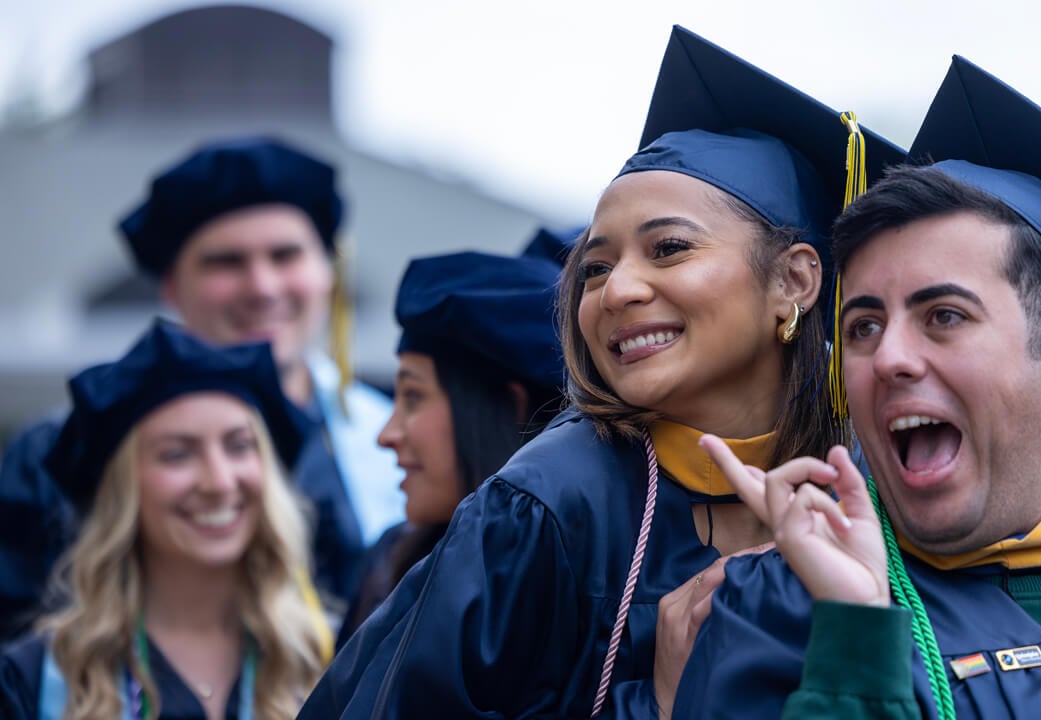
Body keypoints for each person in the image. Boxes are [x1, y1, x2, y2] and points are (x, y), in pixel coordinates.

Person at [296, 25, 902, 719]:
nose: (616, 292)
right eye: (596, 268)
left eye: (668, 248)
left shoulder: (873, 485)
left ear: (794, 280)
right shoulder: (543, 511)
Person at [674, 56, 1041, 719]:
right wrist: (854, 637)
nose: (889, 357)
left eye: (944, 317)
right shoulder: (781, 604)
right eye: (864, 326)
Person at [0, 138, 402, 636]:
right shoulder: (60, 455)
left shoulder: (393, 441)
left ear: (328, 273)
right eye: (226, 262)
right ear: (170, 286)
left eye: (286, 255)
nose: (262, 287)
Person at [0, 320, 331, 720]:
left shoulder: (330, 656)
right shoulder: (40, 679)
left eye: (239, 446)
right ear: (123, 492)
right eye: (177, 454)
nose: (219, 481)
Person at [337, 250, 566, 644]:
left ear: (510, 407)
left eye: (413, 396)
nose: (386, 434)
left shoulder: (577, 597)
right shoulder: (391, 563)